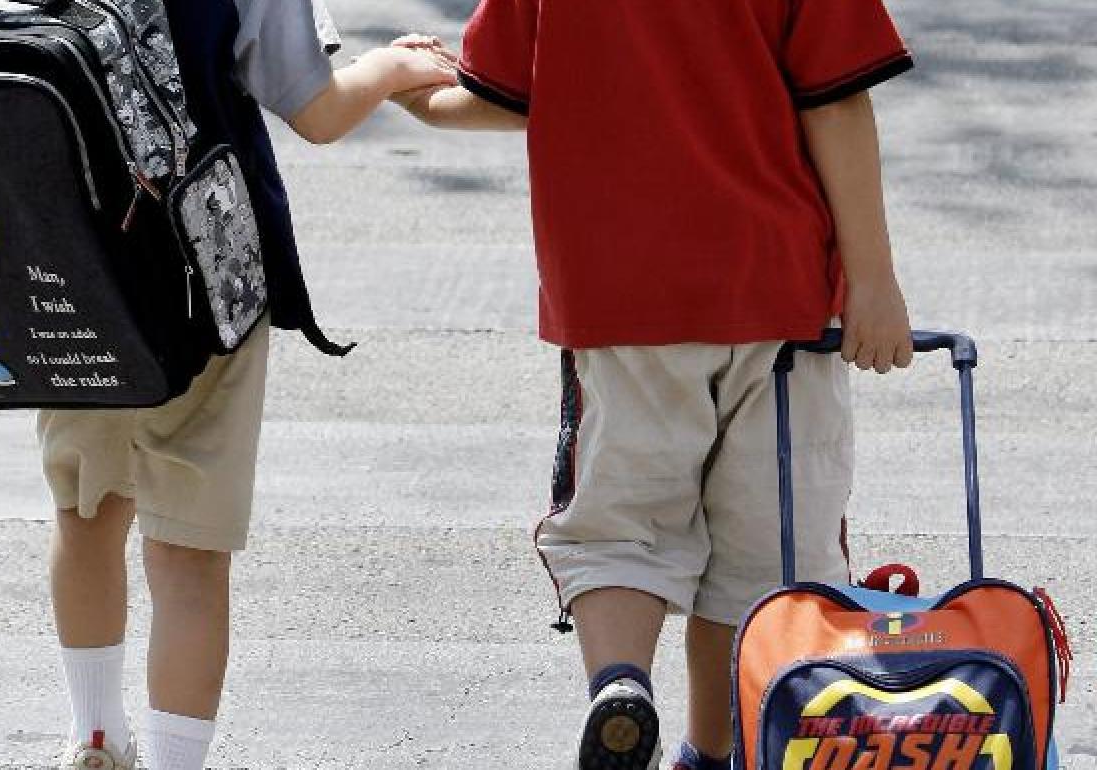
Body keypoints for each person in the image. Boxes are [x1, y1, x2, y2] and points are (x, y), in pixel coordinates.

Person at [391, 1, 916, 767]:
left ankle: (621, 683)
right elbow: (835, 99)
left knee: (618, 527)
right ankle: (713, 748)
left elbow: (503, 93)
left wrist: (412, 91)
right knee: (767, 553)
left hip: (617, 298)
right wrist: (874, 281)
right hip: (777, 293)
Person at [39, 2, 456, 769]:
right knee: (188, 549)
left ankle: (94, 735)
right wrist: (396, 67)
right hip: (201, 275)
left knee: (87, 507)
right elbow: (318, 110)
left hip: (65, 277)